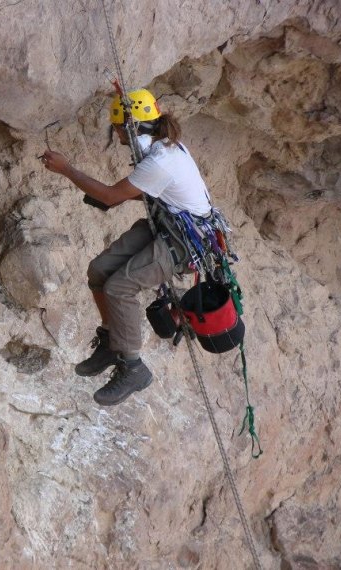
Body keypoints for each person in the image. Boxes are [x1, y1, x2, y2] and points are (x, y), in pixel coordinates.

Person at [41, 88, 212, 406]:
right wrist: (125, 95)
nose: (117, 133)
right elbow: (145, 189)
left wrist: (67, 169)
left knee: (119, 287)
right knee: (100, 270)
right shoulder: (160, 146)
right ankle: (110, 342)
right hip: (167, 225)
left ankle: (133, 368)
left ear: (130, 127)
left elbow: (109, 196)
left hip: (186, 241)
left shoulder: (160, 160)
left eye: (119, 127)